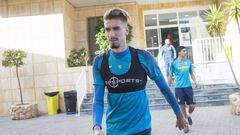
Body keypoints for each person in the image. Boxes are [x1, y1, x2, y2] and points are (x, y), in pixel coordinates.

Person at [92, 8, 188, 135]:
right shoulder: (100, 62)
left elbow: (165, 89)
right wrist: (96, 127)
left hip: (141, 129)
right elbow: (98, 100)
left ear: (126, 30)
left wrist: (179, 114)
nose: (111, 34)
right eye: (107, 29)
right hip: (114, 130)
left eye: (116, 28)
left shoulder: (143, 57)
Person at [168, 46, 197, 131]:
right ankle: (186, 125)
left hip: (188, 87)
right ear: (179, 52)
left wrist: (195, 81)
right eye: (184, 51)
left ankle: (188, 114)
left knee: (192, 105)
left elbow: (191, 73)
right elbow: (170, 76)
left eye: (185, 51)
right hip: (178, 88)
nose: (185, 52)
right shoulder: (174, 64)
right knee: (182, 107)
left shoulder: (188, 62)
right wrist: (168, 87)